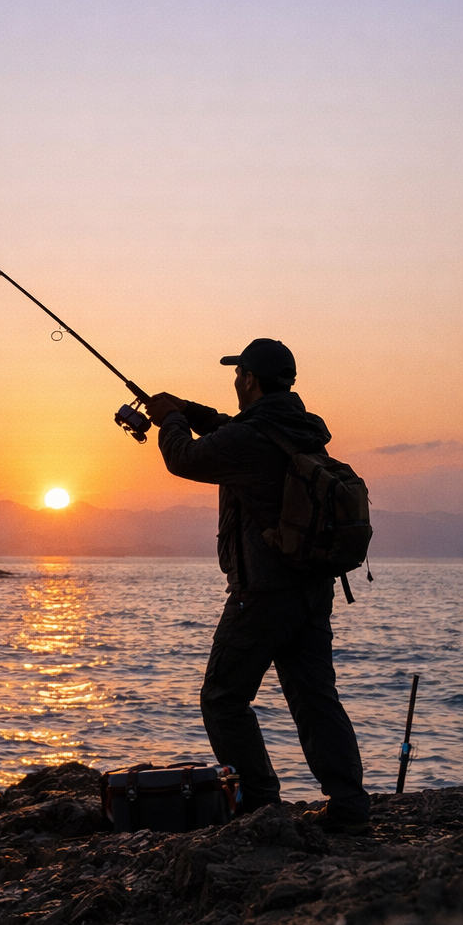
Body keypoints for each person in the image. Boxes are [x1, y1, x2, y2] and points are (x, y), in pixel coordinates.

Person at [145, 338, 372, 833]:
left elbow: (184, 458)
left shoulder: (250, 438)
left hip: (263, 593)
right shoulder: (299, 429)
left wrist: (170, 420)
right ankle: (350, 807)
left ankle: (261, 805)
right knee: (316, 699)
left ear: (249, 378)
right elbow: (230, 428)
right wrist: (186, 409)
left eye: (238, 374)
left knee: (222, 698)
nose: (234, 381)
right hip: (312, 589)